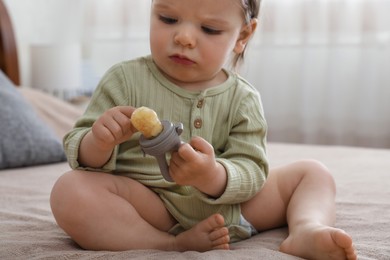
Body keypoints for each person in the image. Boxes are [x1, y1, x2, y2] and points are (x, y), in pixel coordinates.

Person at [50, 0, 357, 259]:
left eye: (209, 29)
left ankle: (305, 228)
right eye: (168, 18)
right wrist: (98, 141)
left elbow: (252, 168)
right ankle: (169, 244)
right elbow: (81, 156)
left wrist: (213, 176)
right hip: (152, 208)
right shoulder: (123, 79)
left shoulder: (243, 98)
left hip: (233, 206)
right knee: (70, 190)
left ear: (243, 35)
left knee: (314, 173)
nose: (183, 37)